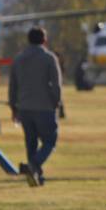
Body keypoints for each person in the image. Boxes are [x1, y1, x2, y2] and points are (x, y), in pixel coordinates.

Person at [9, 27, 63, 187]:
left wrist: (14, 107)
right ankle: (34, 165)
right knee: (50, 141)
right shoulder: (49, 58)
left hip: (24, 107)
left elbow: (13, 86)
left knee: (30, 143)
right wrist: (56, 102)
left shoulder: (19, 59)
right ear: (44, 40)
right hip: (44, 106)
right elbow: (56, 84)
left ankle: (36, 176)